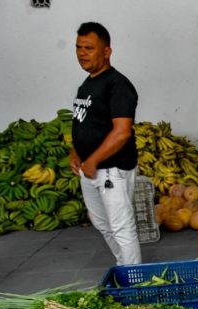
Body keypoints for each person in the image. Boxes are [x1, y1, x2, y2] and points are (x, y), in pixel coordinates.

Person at [70, 22, 141, 266]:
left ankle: (133, 281)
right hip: (90, 169)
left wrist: (94, 160)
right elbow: (83, 121)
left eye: (88, 47)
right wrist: (75, 152)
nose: (82, 53)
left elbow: (121, 132)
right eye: (78, 47)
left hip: (112, 170)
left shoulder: (117, 84)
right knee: (102, 223)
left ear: (107, 51)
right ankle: (124, 266)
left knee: (122, 227)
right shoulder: (87, 84)